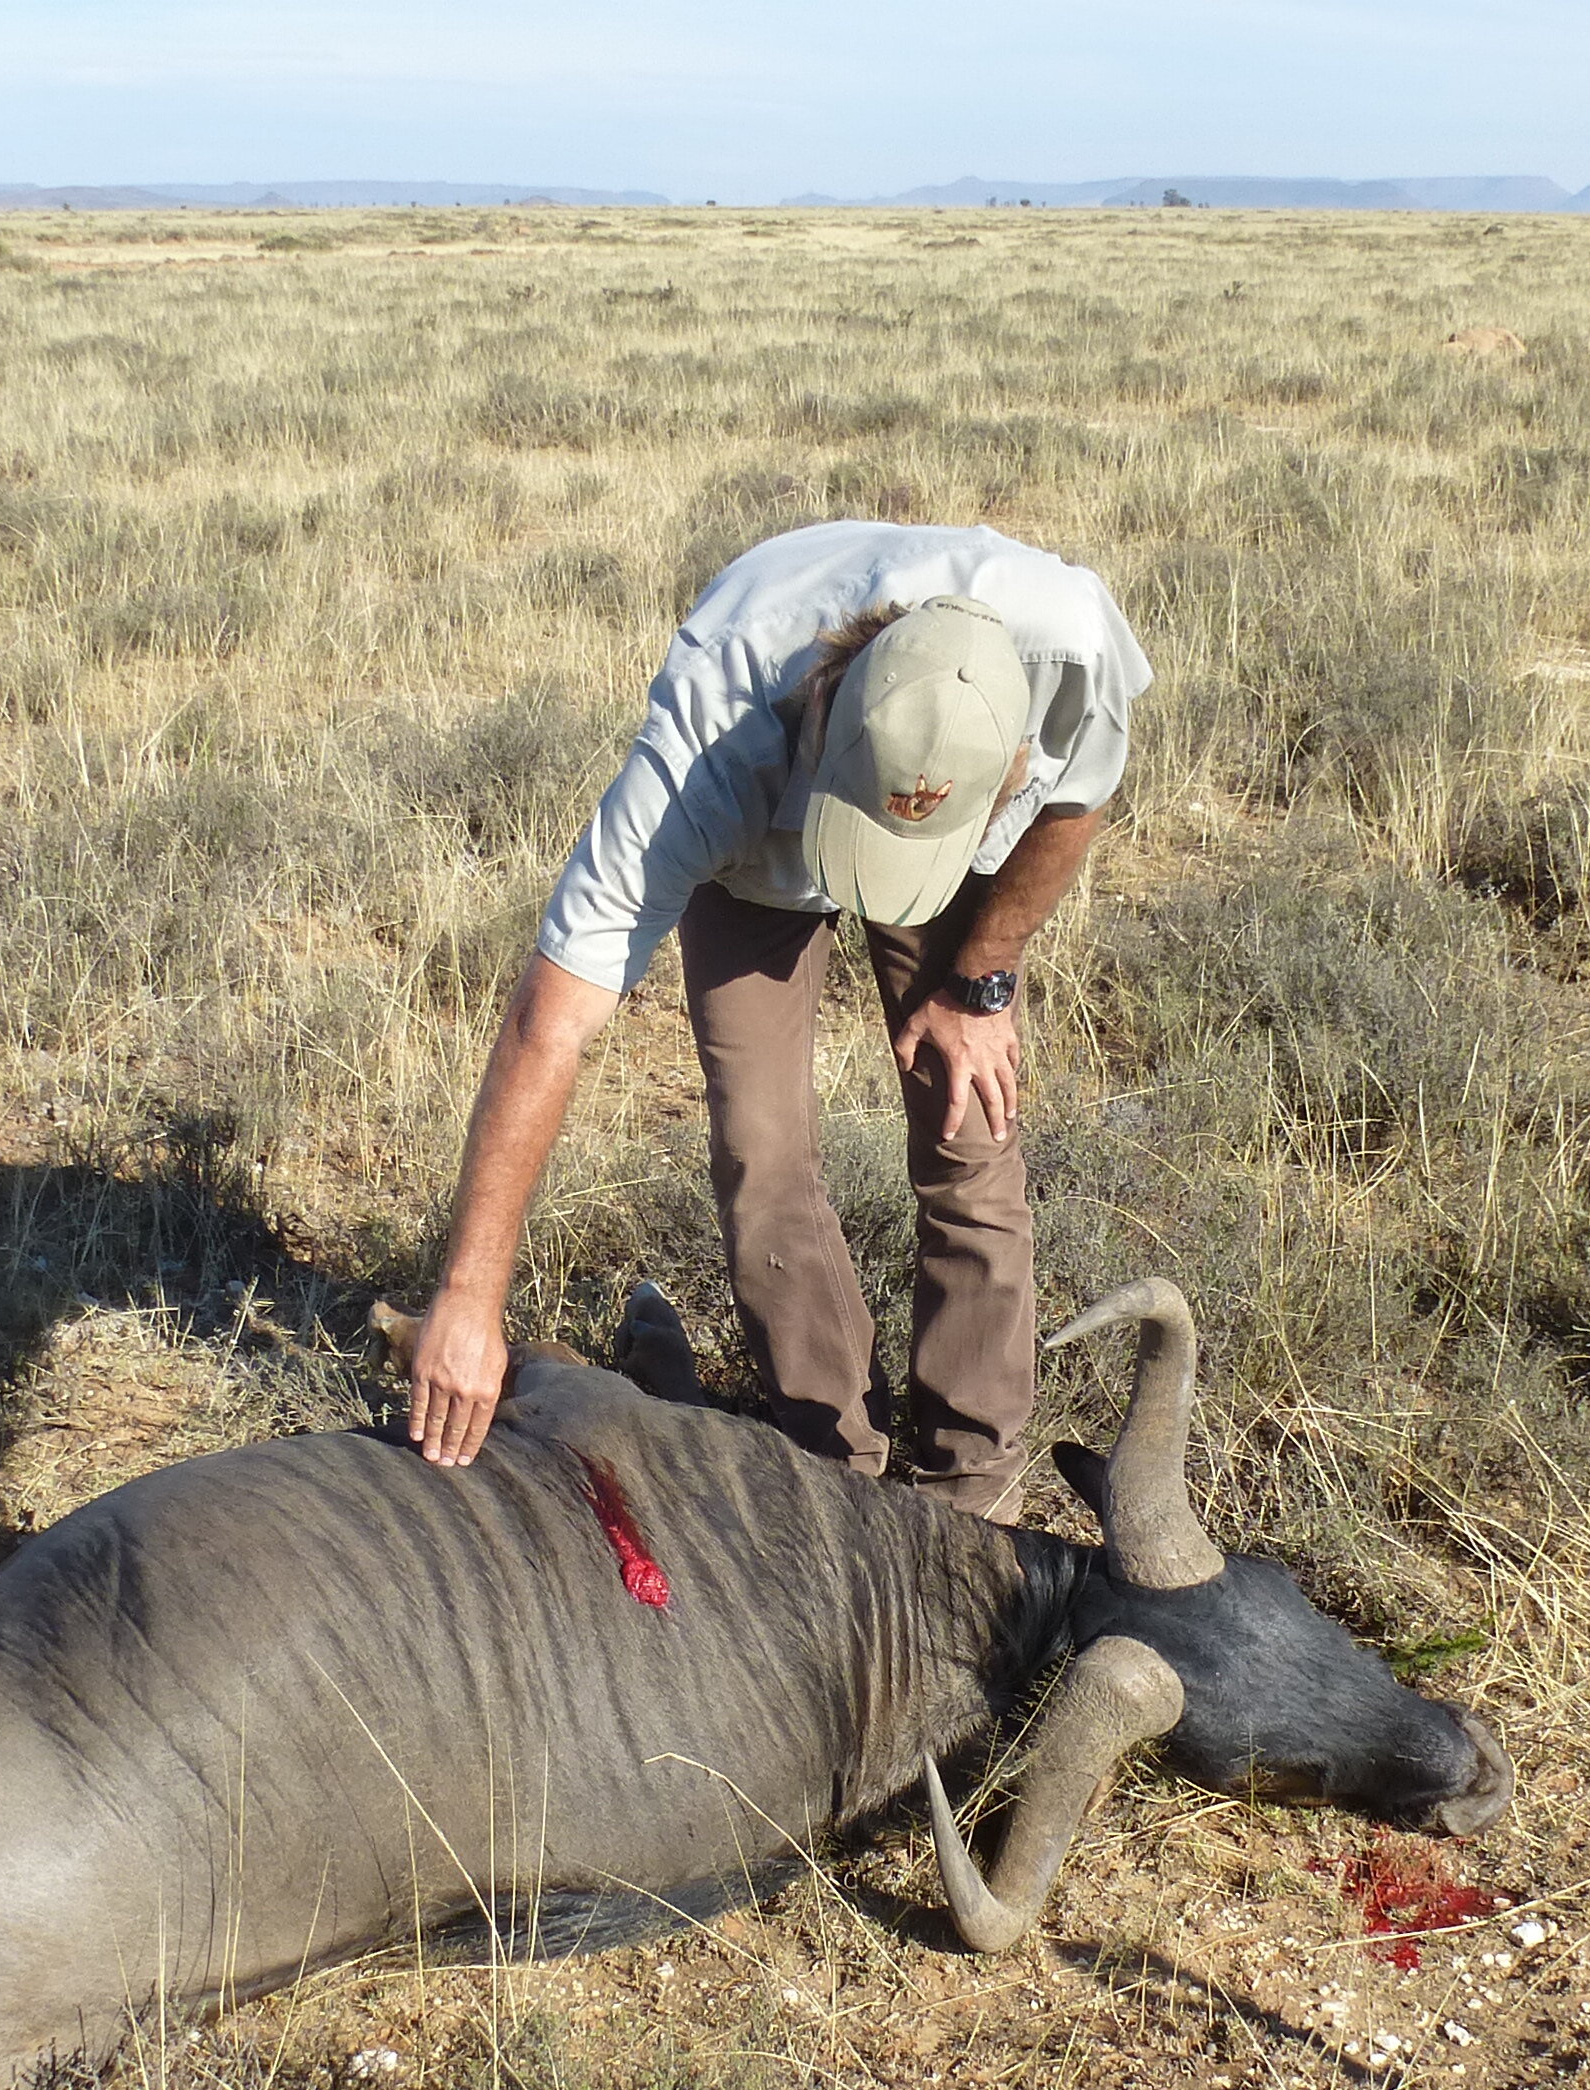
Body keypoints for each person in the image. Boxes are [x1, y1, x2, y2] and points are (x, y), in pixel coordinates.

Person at [406, 521, 1151, 1517]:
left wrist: (981, 977)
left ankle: (974, 1488)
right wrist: (467, 1298)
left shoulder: (1070, 653)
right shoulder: (709, 746)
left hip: (953, 864)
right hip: (757, 861)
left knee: (970, 1123)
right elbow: (551, 1023)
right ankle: (831, 1468)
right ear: (817, 712)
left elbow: (1077, 804)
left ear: (1013, 756)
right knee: (762, 1146)